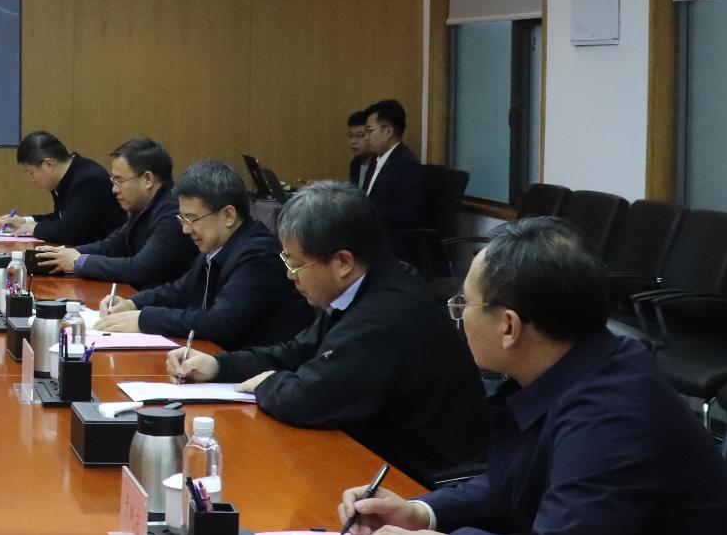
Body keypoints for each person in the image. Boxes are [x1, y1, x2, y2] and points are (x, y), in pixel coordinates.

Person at [343, 217, 727, 535]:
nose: (459, 317)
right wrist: (422, 514)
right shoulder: (579, 370)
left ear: (509, 326)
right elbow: (518, 481)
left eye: (464, 304)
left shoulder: (612, 414)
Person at [166, 181, 487, 483]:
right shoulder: (364, 285)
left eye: (296, 265)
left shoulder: (384, 315)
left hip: (423, 480)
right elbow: (298, 352)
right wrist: (219, 365)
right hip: (375, 454)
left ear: (343, 262)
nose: (290, 276)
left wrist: (267, 383)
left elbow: (308, 398)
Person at [94, 159, 308, 349]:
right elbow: (181, 290)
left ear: (228, 215)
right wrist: (133, 303)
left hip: (256, 371)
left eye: (191, 219)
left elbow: (220, 322)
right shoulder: (218, 244)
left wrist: (145, 319)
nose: (185, 229)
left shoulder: (259, 256)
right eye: (183, 219)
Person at [32, 137, 194, 290]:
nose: (114, 189)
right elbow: (111, 247)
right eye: (113, 181)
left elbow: (140, 269)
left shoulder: (173, 213)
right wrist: (63, 254)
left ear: (148, 179)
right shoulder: (145, 207)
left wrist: (79, 262)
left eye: (119, 180)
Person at [0, 130, 125, 246]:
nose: (32, 180)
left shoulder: (88, 179)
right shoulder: (68, 175)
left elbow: (68, 232)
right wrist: (24, 222)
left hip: (108, 256)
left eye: (31, 173)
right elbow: (62, 218)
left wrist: (33, 227)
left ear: (49, 164)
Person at [360, 98, 423, 231]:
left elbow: (407, 214)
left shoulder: (406, 164)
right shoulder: (376, 158)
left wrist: (365, 216)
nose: (366, 137)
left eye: (370, 130)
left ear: (388, 131)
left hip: (389, 236)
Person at [346, 109, 371, 187]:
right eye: (351, 136)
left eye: (360, 135)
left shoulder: (381, 165)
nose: (353, 141)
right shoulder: (355, 163)